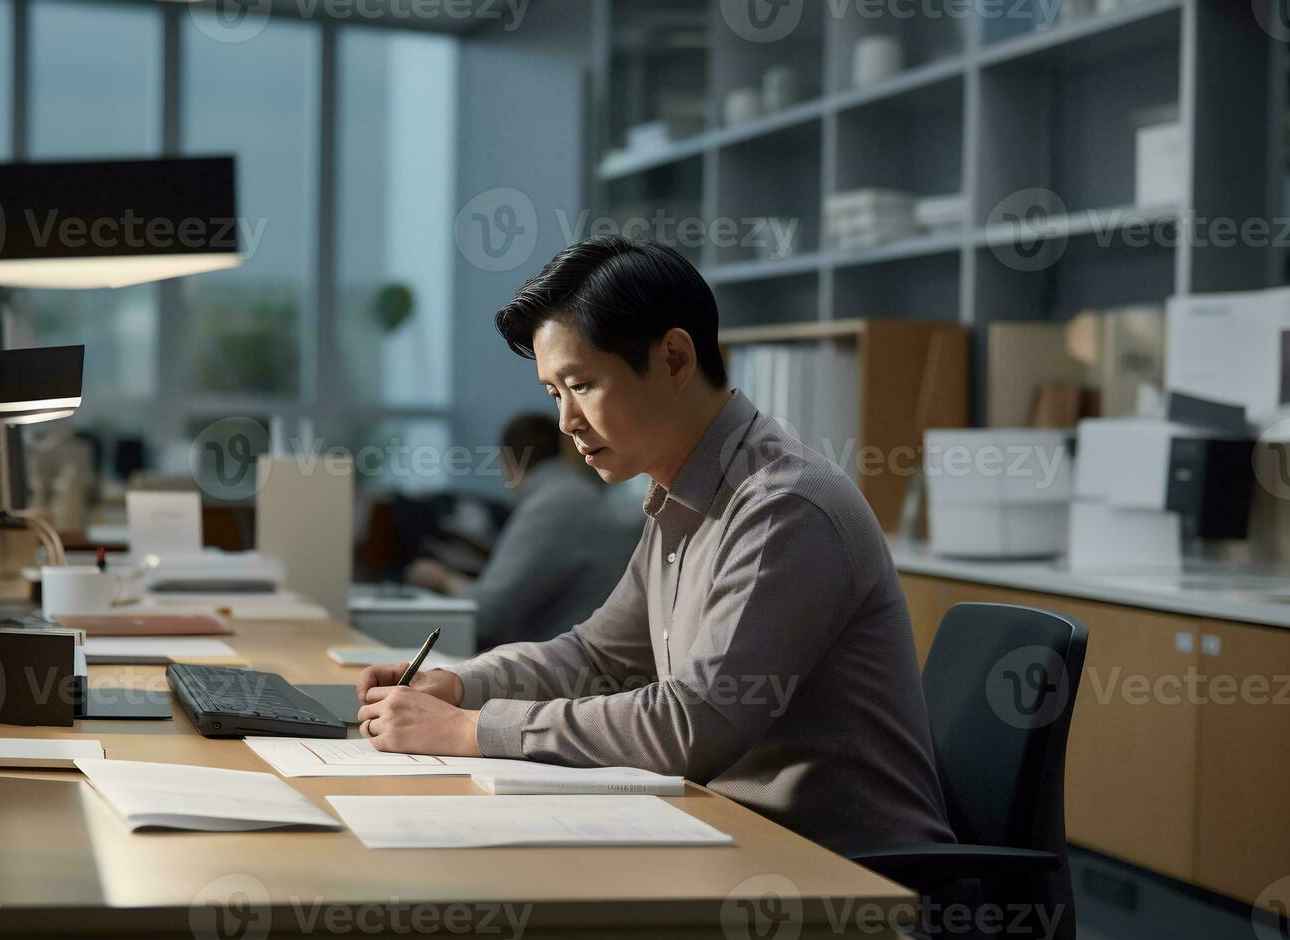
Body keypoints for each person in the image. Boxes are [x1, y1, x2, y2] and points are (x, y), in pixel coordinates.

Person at [358, 234, 953, 860]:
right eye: (553, 394)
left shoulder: (783, 507)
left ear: (673, 359)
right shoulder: (683, 498)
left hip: (853, 886)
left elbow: (692, 725)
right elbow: (597, 656)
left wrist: (475, 731)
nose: (565, 421)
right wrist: (461, 686)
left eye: (580, 384)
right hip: (736, 844)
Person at [405, 413, 640, 650]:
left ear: (507, 460)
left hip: (563, 666)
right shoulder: (575, 493)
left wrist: (441, 579)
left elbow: (488, 616)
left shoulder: (554, 503)